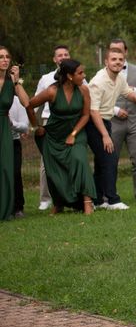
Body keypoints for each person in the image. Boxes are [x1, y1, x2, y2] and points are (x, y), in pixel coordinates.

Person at [26, 59, 96, 215]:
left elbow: (85, 115)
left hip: (76, 133)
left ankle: (87, 203)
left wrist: (73, 134)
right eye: (80, 73)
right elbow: (30, 106)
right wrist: (36, 127)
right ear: (70, 76)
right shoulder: (52, 91)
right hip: (54, 135)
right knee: (53, 170)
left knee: (80, 160)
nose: (83, 76)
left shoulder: (84, 90)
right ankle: (58, 203)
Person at [86, 47, 136, 210]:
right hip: (93, 123)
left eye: (120, 60)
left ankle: (98, 200)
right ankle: (113, 200)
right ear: (106, 62)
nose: (117, 62)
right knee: (110, 160)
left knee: (101, 163)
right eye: (113, 59)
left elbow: (127, 92)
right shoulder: (98, 82)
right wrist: (105, 135)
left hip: (105, 121)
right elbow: (93, 111)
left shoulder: (119, 78)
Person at [109, 38, 136, 201]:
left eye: (120, 51)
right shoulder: (103, 74)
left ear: (125, 52)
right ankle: (109, 195)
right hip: (113, 122)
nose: (117, 54)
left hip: (134, 121)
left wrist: (135, 90)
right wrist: (114, 110)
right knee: (111, 161)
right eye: (114, 51)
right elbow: (96, 100)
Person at [33, 45, 71, 210]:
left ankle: (70, 196)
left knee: (71, 159)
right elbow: (34, 103)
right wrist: (34, 125)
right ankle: (45, 198)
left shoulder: (78, 76)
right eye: (59, 55)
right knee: (46, 161)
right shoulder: (46, 78)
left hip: (71, 123)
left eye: (66, 54)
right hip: (50, 122)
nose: (63, 57)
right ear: (54, 59)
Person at [0, 46, 30, 221]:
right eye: (1, 57)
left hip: (5, 127)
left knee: (6, 167)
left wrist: (17, 81)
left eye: (7, 57)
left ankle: (7, 207)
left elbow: (26, 102)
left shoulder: (12, 83)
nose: (4, 60)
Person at [9, 95, 29, 218]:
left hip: (13, 142)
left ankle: (18, 207)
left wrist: (12, 124)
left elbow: (24, 126)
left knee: (15, 173)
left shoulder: (15, 100)